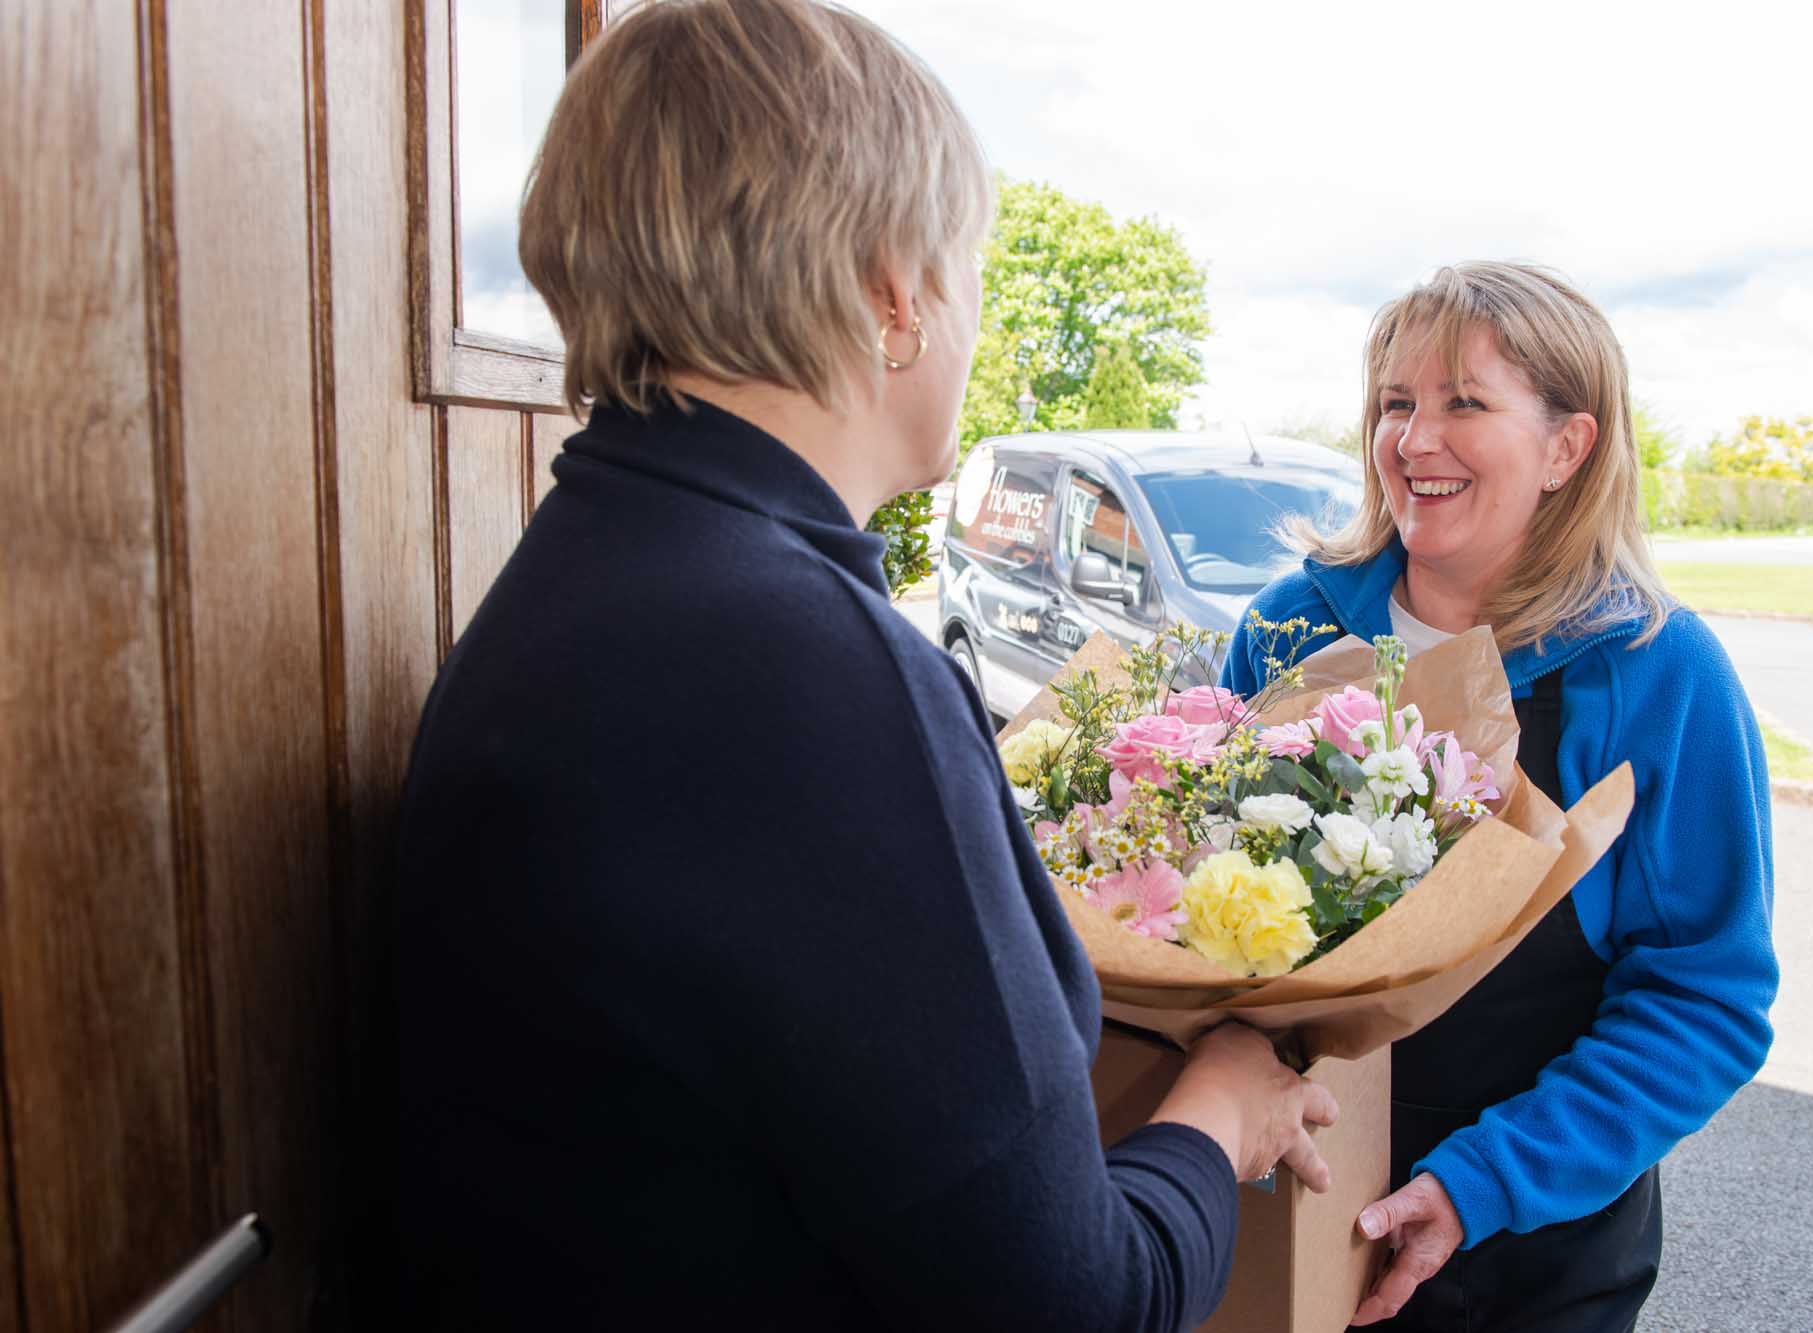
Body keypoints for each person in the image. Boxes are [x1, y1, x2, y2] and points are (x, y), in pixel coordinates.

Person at [392, 3, 1336, 1328]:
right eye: (968, 266)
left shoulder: (611, 561)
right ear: (895, 290)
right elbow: (1071, 1303)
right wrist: (1222, 1110)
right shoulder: (802, 662)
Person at [1219, 262, 1779, 1331]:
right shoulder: (1286, 630)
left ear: (1567, 447)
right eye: (1395, 403)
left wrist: (1483, 1183)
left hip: (1524, 1251)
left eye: (1461, 403)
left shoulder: (1653, 673)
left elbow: (1703, 995)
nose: (1413, 440)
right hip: (1284, 1191)